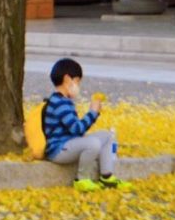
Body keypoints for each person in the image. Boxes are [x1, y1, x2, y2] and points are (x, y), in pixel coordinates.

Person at [41, 57, 127, 190]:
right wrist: (92, 113)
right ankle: (82, 179)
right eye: (77, 82)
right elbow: (77, 129)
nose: (78, 87)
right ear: (67, 79)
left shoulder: (64, 101)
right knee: (93, 143)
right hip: (58, 150)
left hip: (69, 144)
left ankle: (107, 176)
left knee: (107, 136)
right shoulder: (59, 103)